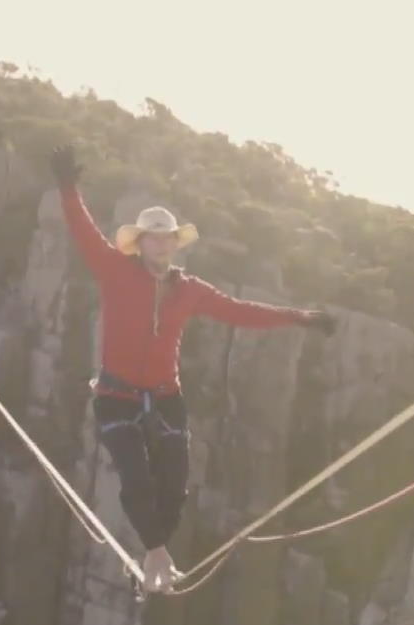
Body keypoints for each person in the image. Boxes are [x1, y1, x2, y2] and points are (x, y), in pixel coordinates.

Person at [49, 144, 336, 594]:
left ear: (173, 245)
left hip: (165, 395)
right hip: (116, 394)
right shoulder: (115, 271)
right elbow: (83, 232)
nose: (159, 245)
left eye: (166, 239)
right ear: (140, 243)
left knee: (176, 483)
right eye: (152, 238)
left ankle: (155, 553)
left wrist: (298, 317)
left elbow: (241, 312)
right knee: (135, 475)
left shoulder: (190, 290)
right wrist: (68, 189)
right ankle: (158, 554)